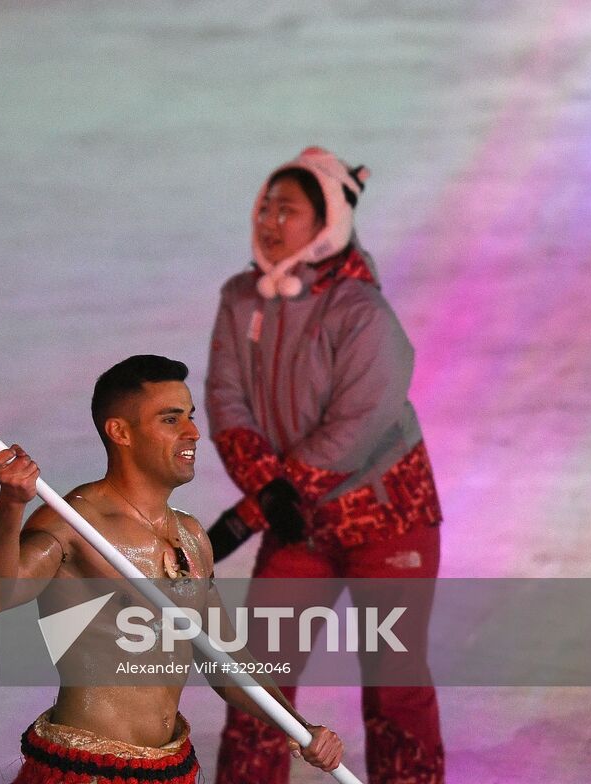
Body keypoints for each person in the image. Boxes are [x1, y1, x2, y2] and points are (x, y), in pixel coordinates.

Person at [0, 354, 343, 783]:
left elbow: (223, 659)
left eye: (189, 416)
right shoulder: (74, 523)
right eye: (171, 420)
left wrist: (297, 727)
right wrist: (12, 503)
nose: (192, 432)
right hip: (86, 773)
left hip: (170, 769)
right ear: (121, 432)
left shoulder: (190, 534)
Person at [203, 147, 444, 783]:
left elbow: (357, 428)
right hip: (297, 523)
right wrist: (267, 493)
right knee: (257, 684)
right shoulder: (238, 299)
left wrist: (252, 510)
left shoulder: (362, 311)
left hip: (387, 520)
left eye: (288, 210)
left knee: (394, 686)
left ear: (327, 223)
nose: (269, 219)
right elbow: (227, 404)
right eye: (265, 205)